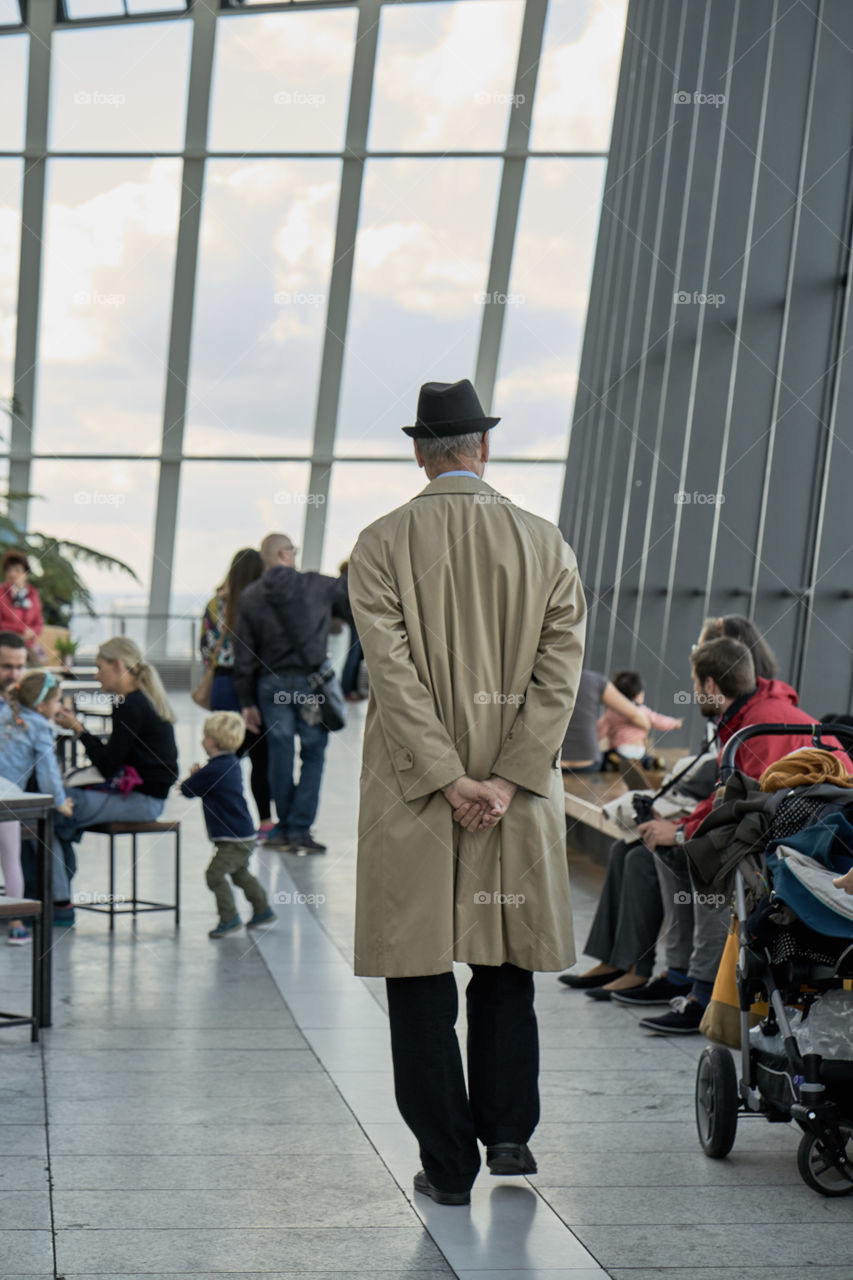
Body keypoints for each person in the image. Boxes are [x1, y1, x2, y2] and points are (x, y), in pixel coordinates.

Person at [349, 378, 586, 1206]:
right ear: (481, 447)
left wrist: (448, 778)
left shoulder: (379, 544)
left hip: (414, 794)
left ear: (419, 452)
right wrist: (506, 778)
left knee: (416, 979)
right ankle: (510, 1133)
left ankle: (446, 1164)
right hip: (513, 800)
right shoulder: (544, 543)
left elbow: (394, 676)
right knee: (505, 964)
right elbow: (558, 679)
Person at [632, 637, 853, 1034]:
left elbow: (741, 802)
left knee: (710, 864)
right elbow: (733, 795)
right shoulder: (753, 716)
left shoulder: (756, 727)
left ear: (712, 685)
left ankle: (699, 991)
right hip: (809, 822)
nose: (696, 692)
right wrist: (683, 829)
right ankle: (681, 975)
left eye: (696, 684)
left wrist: (683, 832)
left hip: (797, 834)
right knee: (678, 853)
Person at [559, 613, 777, 997]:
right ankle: (621, 960)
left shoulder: (756, 716)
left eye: (701, 649)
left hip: (729, 824)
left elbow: (740, 791)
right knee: (624, 849)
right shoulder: (739, 710)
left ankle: (654, 969)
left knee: (646, 855)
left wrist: (679, 829)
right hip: (713, 809)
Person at [232, 533, 350, 854]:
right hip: (312, 684)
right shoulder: (317, 585)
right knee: (313, 753)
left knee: (279, 755)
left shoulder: (251, 596)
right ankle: (300, 829)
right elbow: (355, 591)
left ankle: (283, 828)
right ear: (285, 553)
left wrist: (245, 701)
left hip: (271, 685)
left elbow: (243, 652)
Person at [52, 637, 179, 926]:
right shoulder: (143, 700)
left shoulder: (130, 705)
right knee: (59, 812)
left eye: (99, 668)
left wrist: (79, 730)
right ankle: (57, 897)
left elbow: (108, 765)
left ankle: (57, 903)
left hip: (141, 802)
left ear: (118, 665)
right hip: (147, 798)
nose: (96, 676)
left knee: (51, 810)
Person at [178, 711, 275, 938]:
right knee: (240, 873)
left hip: (233, 839)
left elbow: (187, 790)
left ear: (212, 740)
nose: (202, 740)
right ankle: (263, 909)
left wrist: (193, 776)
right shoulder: (231, 763)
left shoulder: (214, 768)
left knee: (214, 875)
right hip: (244, 835)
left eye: (204, 736)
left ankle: (230, 918)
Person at [200, 548, 272, 836]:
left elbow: (205, 651)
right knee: (260, 757)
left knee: (225, 755)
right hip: (252, 685)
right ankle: (265, 822)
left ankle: (225, 821)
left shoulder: (215, 604)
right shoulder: (262, 602)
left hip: (221, 684)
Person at [0, 671, 73, 943]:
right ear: (42, 706)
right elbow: (48, 774)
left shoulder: (6, 714)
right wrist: (60, 802)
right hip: (6, 796)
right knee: (10, 858)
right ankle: (16, 922)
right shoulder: (40, 727)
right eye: (57, 702)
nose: (60, 708)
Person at [561, 669, 650, 771]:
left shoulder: (547, 677)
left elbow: (600, 731)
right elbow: (637, 716)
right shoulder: (594, 679)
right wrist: (646, 729)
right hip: (588, 764)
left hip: (552, 765)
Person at [597, 669, 683, 768]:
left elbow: (599, 731)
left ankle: (615, 762)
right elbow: (659, 720)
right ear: (638, 696)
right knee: (645, 759)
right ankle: (653, 763)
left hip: (620, 750)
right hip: (639, 752)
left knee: (602, 756)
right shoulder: (643, 711)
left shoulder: (612, 712)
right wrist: (675, 723)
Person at [0, 550, 46, 662]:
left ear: (26, 573)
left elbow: (39, 623)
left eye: (17, 570)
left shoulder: (33, 594)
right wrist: (21, 631)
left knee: (41, 661)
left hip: (28, 644)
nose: (13, 574)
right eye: (9, 570)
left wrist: (31, 632)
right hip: (4, 644)